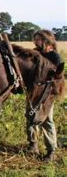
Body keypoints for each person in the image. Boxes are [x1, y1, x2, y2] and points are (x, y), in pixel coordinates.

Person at [26, 30, 62, 162]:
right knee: (30, 117)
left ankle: (51, 150)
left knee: (47, 120)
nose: (36, 42)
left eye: (39, 40)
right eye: (35, 39)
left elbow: (57, 78)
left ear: (47, 41)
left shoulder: (55, 57)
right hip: (33, 91)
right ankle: (33, 143)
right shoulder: (35, 53)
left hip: (46, 93)